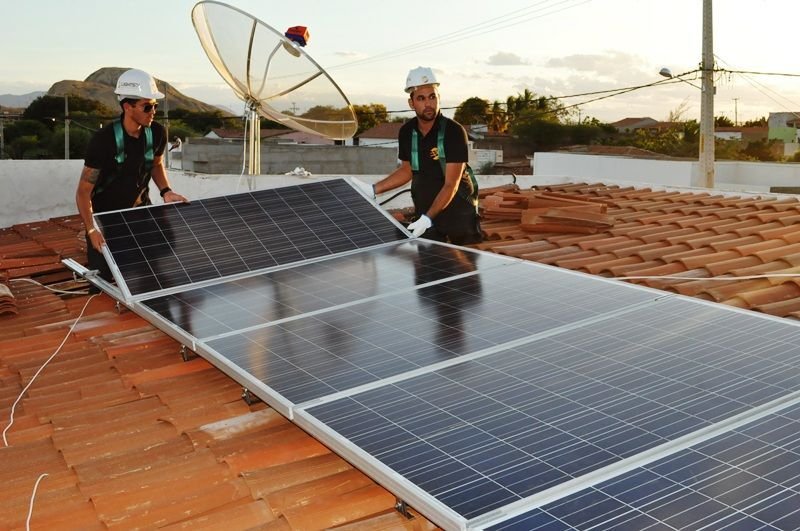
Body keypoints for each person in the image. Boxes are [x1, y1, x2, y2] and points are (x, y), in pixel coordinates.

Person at [75, 68, 188, 284]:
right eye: (147, 106)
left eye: (154, 105)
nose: (153, 111)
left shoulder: (156, 133)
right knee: (104, 282)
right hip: (106, 218)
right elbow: (83, 192)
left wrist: (166, 190)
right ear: (128, 106)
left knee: (153, 271)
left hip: (139, 211)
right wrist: (91, 229)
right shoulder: (103, 141)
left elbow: (155, 164)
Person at [356, 66, 482, 245]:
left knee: (463, 269)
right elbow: (407, 170)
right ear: (411, 103)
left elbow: (450, 185)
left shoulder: (453, 131)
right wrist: (374, 190)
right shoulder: (407, 132)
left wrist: (427, 219)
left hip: (458, 219)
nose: (428, 103)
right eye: (421, 98)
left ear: (439, 98)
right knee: (428, 269)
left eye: (432, 97)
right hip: (426, 215)